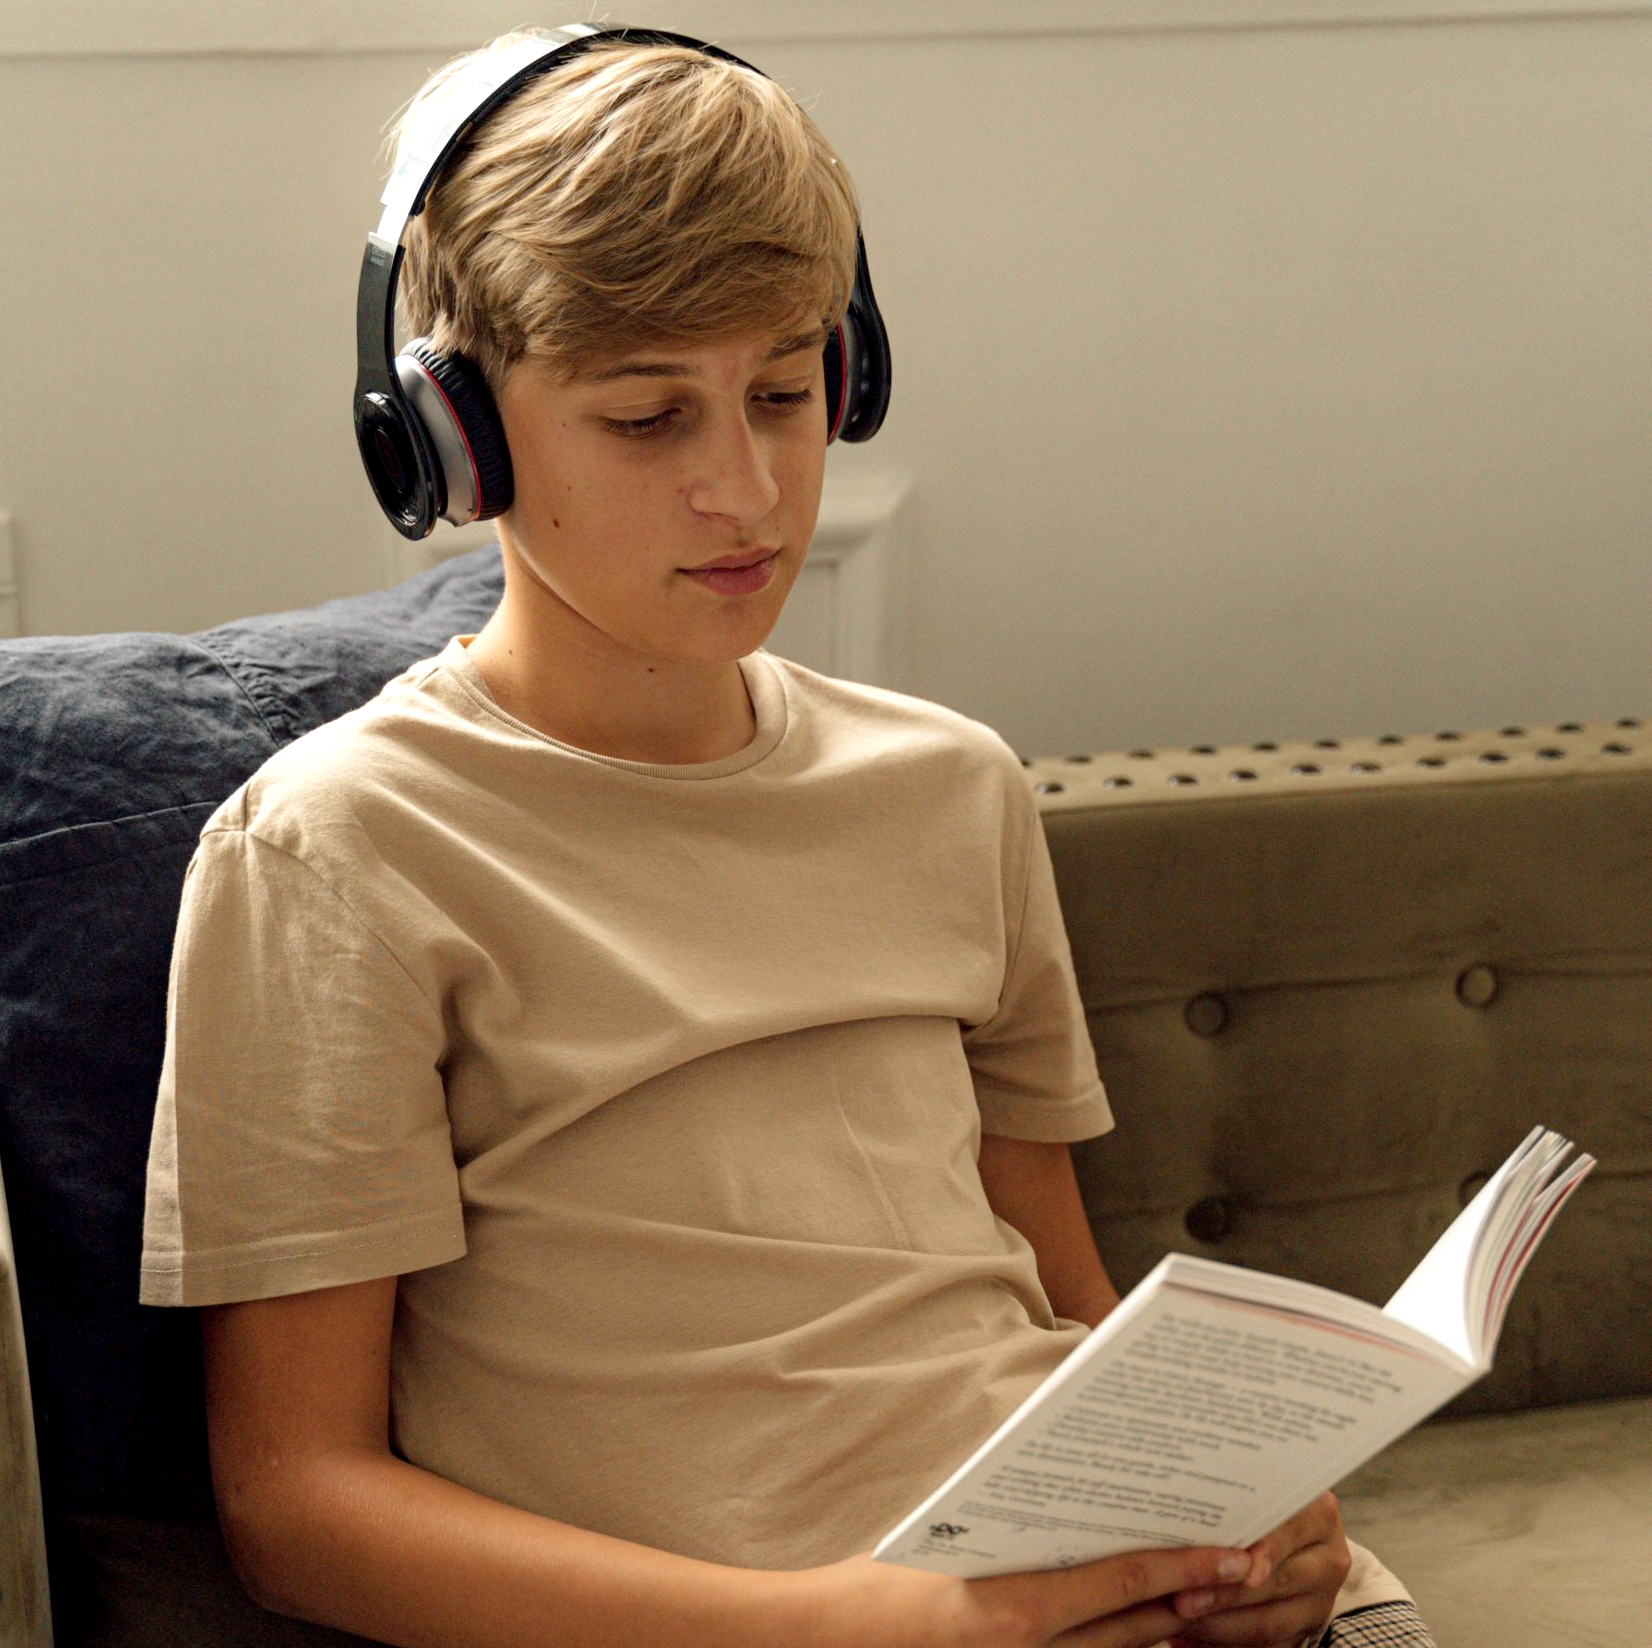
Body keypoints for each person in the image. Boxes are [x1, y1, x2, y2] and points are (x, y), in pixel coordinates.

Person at [141, 26, 1431, 1648]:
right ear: (450, 438)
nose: (747, 489)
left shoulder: (951, 786)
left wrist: (1235, 1523)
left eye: (783, 389)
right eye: (644, 420)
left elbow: (1062, 1303)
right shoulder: (333, 856)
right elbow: (297, 1508)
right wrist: (854, 1624)